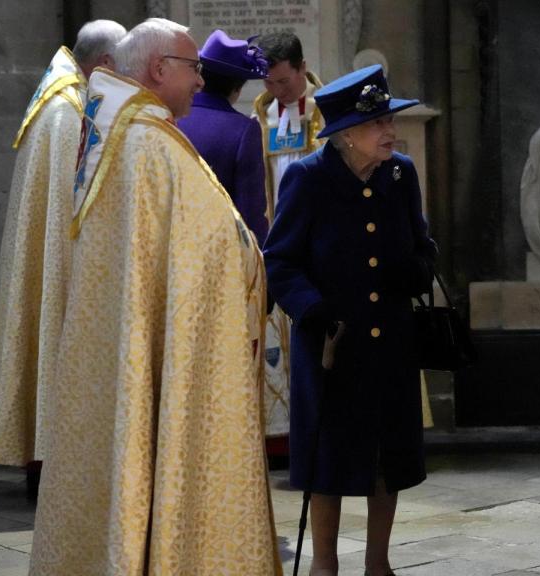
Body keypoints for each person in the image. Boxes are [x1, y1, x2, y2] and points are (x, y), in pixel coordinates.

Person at [28, 19, 281, 575]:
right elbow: (211, 243)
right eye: (192, 68)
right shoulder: (146, 144)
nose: (199, 81)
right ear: (158, 68)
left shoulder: (122, 134)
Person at [263, 64, 435, 576]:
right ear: (344, 135)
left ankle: (379, 564)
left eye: (388, 121)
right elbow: (280, 260)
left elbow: (423, 245)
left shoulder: (401, 174)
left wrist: (419, 269)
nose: (390, 132)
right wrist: (313, 310)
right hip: (331, 344)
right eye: (377, 123)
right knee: (328, 461)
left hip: (392, 342)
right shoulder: (308, 178)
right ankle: (324, 565)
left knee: (389, 456)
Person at [0, 19, 125, 487]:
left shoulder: (62, 96)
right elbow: (70, 211)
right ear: (104, 63)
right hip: (63, 265)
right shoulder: (66, 112)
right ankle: (54, 466)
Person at [252, 30, 326, 459]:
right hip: (277, 240)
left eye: (283, 81)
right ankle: (284, 440)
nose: (276, 91)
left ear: (301, 68)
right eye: (268, 83)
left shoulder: (325, 111)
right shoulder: (260, 117)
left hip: (316, 242)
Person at [177, 29, 269, 243]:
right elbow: (250, 215)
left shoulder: (170, 118)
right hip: (219, 251)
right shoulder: (244, 130)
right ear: (237, 88)